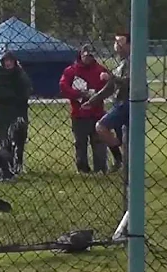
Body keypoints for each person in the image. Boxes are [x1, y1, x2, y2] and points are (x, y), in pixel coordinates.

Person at [59, 45, 109, 174]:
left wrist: (97, 94)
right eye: (85, 55)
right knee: (80, 143)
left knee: (99, 143)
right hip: (79, 114)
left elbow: (108, 88)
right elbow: (63, 86)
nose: (88, 58)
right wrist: (78, 94)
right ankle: (82, 168)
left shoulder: (100, 70)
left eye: (91, 56)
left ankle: (100, 168)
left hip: (97, 113)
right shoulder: (71, 71)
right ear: (80, 55)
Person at [85, 33, 131, 173]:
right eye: (116, 42)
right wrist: (92, 101)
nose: (118, 46)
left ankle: (121, 154)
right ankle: (124, 163)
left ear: (129, 45)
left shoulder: (132, 62)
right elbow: (109, 88)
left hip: (127, 103)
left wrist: (110, 77)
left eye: (121, 42)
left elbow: (129, 82)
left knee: (101, 126)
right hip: (119, 102)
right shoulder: (121, 62)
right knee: (124, 137)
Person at [0, 51, 32, 173]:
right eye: (6, 61)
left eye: (11, 60)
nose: (9, 63)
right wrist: (10, 95)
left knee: (20, 138)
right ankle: (7, 164)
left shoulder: (20, 74)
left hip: (19, 111)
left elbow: (28, 89)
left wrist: (21, 97)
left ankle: (19, 163)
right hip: (3, 113)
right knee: (5, 140)